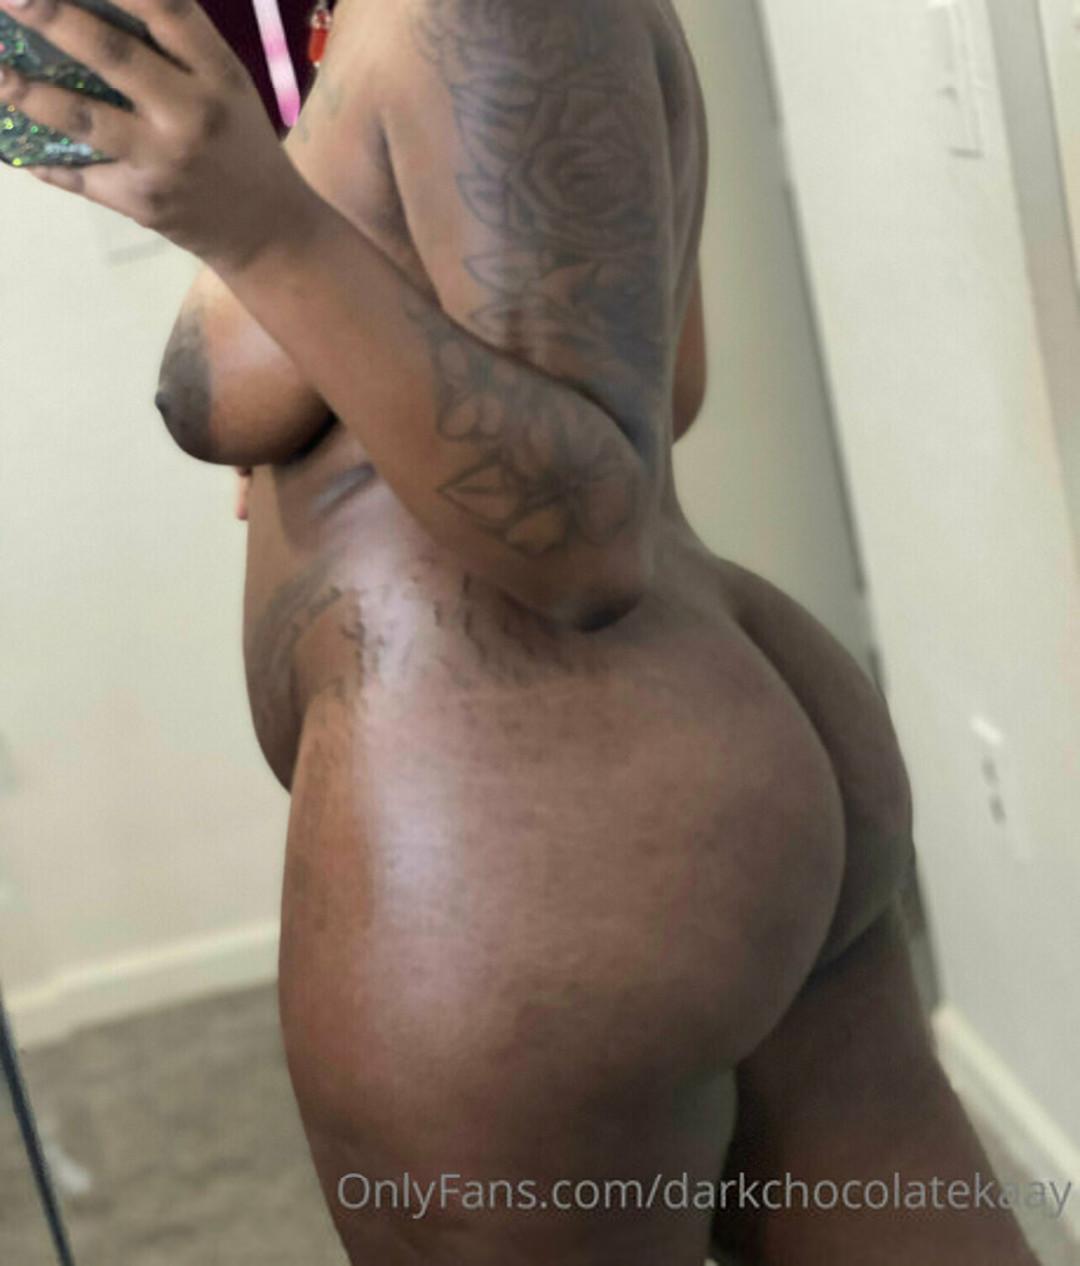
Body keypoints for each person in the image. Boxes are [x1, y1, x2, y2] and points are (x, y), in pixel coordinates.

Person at [0, 0, 1043, 1261]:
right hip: (643, 773)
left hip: (532, 840)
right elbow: (656, 385)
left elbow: (585, 540)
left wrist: (259, 229)